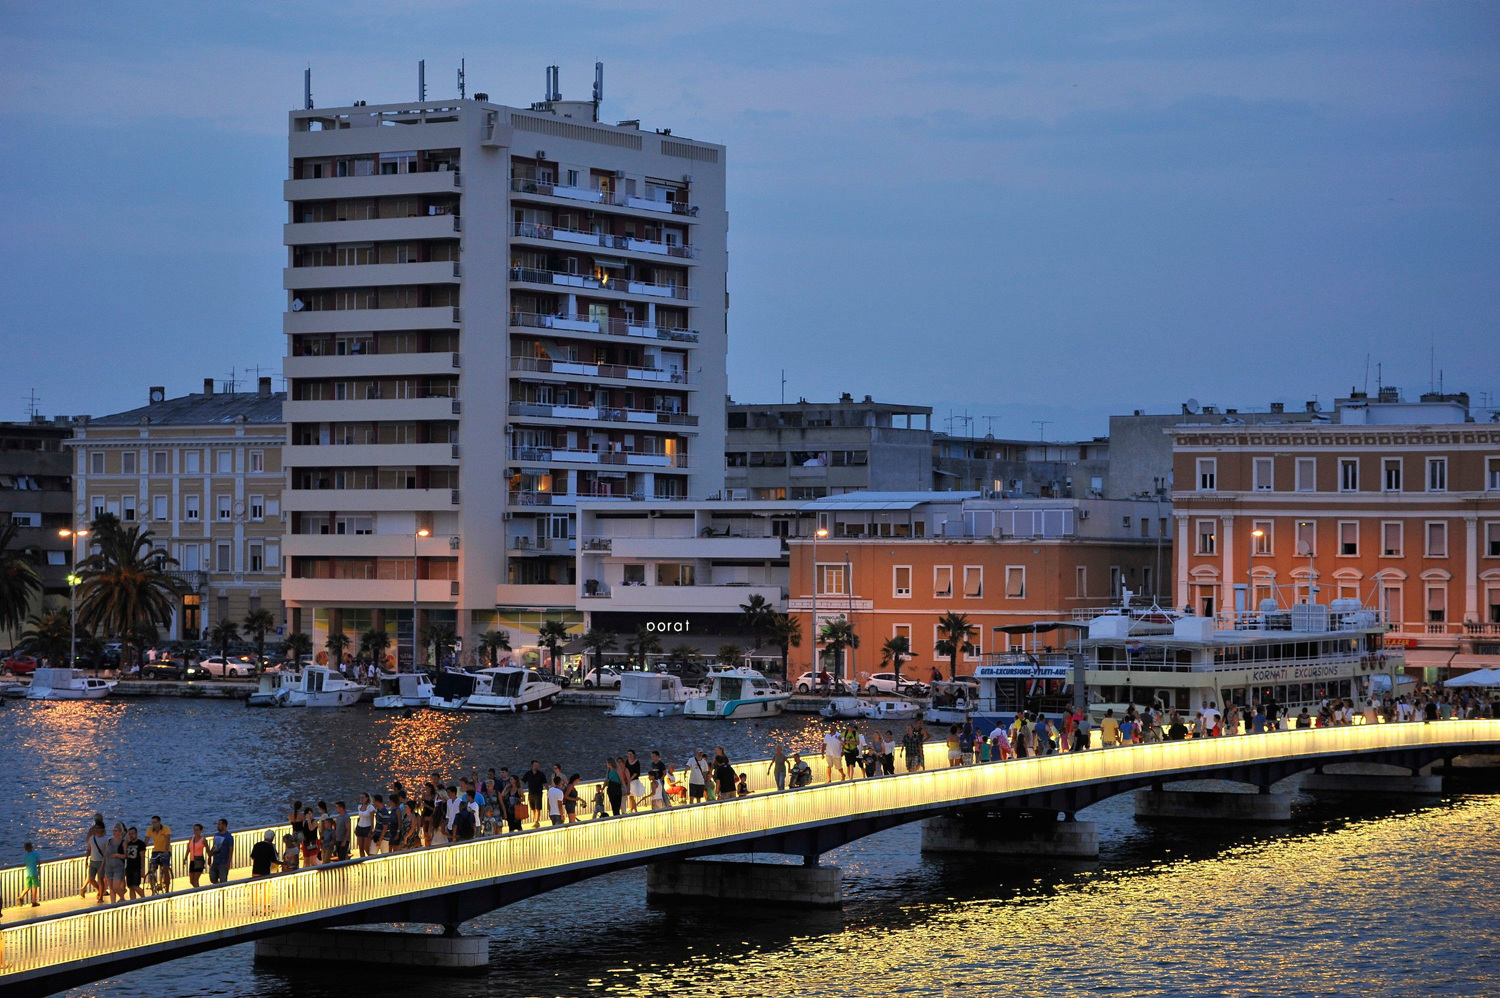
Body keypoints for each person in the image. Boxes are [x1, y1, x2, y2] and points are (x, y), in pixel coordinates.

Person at [83, 820, 108, 902]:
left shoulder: (106, 839)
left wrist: (104, 863)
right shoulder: (92, 838)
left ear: (102, 829)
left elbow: (106, 852)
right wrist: (86, 859)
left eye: (98, 828)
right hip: (92, 861)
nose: (97, 830)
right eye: (96, 828)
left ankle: (101, 896)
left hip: (101, 861)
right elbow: (89, 849)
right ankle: (99, 890)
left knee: (100, 879)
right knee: (91, 879)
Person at [146, 815, 173, 892]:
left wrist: (166, 850)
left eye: (155, 822)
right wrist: (142, 849)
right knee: (152, 869)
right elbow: (146, 840)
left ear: (159, 822)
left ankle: (167, 889)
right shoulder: (150, 829)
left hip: (165, 850)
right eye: (152, 822)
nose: (153, 824)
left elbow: (168, 839)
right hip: (156, 851)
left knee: (165, 867)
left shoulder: (165, 828)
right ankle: (153, 889)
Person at [122, 827, 148, 900]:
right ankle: (133, 902)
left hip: (136, 868)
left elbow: (142, 857)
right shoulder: (128, 844)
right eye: (129, 834)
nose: (131, 835)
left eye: (132, 833)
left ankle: (144, 898)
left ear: (136, 834)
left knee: (135, 885)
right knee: (130, 886)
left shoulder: (141, 844)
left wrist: (142, 869)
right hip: (129, 867)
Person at [104, 822, 127, 902]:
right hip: (109, 866)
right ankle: (113, 904)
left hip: (118, 867)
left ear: (120, 832)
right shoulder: (109, 841)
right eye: (113, 831)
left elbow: (125, 855)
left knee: (116, 886)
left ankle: (122, 898)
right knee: (111, 888)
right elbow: (105, 855)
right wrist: (102, 867)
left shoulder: (123, 842)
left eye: (116, 831)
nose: (114, 832)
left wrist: (117, 855)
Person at [522, 761, 547, 828]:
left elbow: (545, 783)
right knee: (533, 808)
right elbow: (523, 781)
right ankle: (535, 820)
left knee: (537, 808)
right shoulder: (528, 774)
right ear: (532, 766)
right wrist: (520, 789)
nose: (536, 767)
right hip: (531, 793)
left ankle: (536, 821)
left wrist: (548, 791)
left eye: (537, 765)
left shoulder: (541, 774)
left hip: (538, 793)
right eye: (535, 765)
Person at [209, 819, 234, 884]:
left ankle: (223, 891)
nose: (218, 826)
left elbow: (231, 850)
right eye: (218, 824)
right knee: (212, 878)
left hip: (223, 862)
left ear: (224, 826)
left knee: (223, 880)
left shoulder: (229, 837)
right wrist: (209, 856)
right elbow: (214, 847)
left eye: (219, 824)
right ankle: (218, 886)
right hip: (215, 861)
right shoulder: (216, 835)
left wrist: (228, 862)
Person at [354, 792, 376, 857]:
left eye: (363, 797)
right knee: (361, 848)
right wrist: (356, 827)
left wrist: (371, 830)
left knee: (367, 848)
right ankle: (362, 861)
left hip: (367, 827)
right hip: (360, 827)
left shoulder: (370, 807)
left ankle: (370, 859)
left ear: (367, 798)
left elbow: (372, 819)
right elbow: (359, 818)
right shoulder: (359, 807)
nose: (361, 799)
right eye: (360, 797)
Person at [20, 841, 41, 908]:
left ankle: (21, 897)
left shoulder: (25, 856)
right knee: (35, 887)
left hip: (27, 873)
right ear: (32, 847)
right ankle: (34, 902)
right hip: (34, 872)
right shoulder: (35, 854)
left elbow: (25, 863)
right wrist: (39, 871)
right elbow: (38, 863)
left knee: (28, 887)